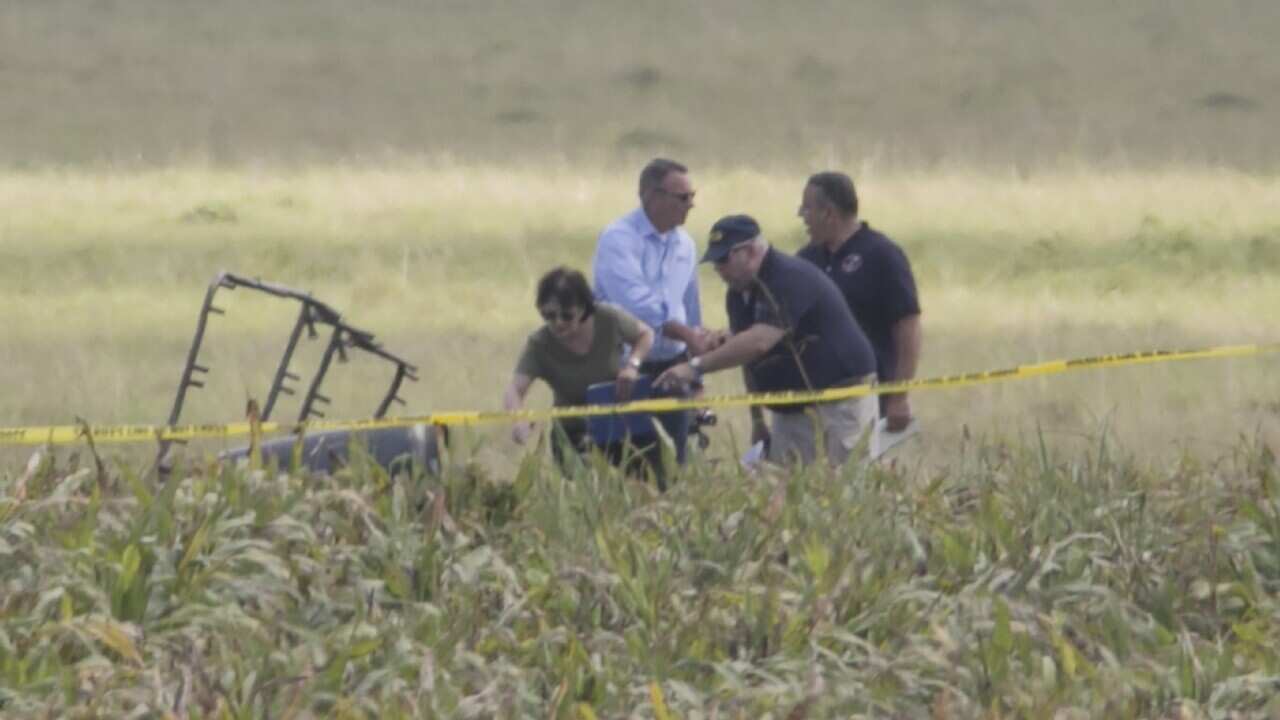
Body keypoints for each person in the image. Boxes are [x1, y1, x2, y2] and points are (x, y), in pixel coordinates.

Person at [655, 215, 879, 467]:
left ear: (751, 251)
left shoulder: (786, 277)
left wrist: (694, 367)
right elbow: (750, 358)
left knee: (844, 487)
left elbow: (759, 341)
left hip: (841, 404)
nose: (719, 269)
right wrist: (758, 420)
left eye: (723, 259)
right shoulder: (738, 294)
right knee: (788, 493)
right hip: (791, 409)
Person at [592, 158, 718, 465]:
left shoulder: (685, 245)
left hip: (672, 369)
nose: (691, 205)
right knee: (623, 463)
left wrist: (696, 362)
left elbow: (690, 306)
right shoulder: (618, 239)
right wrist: (688, 334)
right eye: (682, 197)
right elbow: (637, 306)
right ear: (651, 195)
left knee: (673, 462)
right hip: (624, 369)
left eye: (693, 196)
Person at [796, 172, 922, 432]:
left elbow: (907, 326)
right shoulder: (805, 260)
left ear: (828, 213)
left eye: (807, 208)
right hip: (813, 401)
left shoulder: (882, 255)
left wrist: (899, 396)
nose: (801, 215)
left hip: (870, 396)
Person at [503, 267, 656, 472]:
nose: (557, 323)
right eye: (549, 315)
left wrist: (632, 365)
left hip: (620, 429)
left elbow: (645, 334)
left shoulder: (608, 318)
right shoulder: (539, 344)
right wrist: (518, 418)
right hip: (572, 436)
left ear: (584, 309)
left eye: (567, 316)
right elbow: (514, 390)